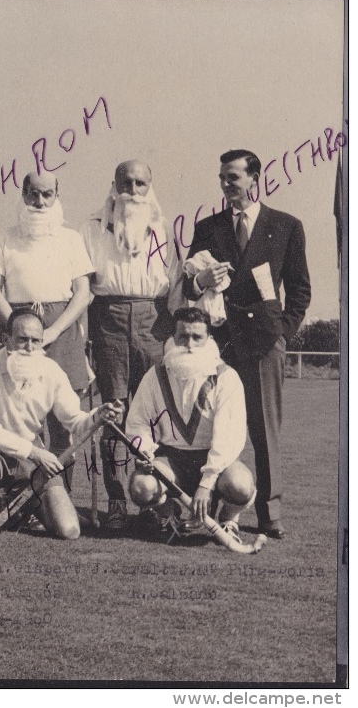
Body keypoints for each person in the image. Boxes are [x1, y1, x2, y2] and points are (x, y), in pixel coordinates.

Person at [184, 149, 311, 539]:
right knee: (213, 426)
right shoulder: (207, 227)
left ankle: (270, 514)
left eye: (233, 178)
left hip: (262, 343)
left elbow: (301, 291)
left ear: (254, 178)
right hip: (218, 346)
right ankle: (214, 506)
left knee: (263, 430)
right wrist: (201, 280)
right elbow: (189, 285)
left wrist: (281, 334)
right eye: (222, 178)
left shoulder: (286, 225)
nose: (226, 185)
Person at [80, 159, 181, 532]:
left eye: (141, 183)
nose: (133, 191)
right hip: (107, 317)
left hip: (153, 321)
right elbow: (83, 285)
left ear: (150, 187)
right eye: (127, 183)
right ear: (114, 184)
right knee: (113, 416)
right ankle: (117, 500)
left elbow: (173, 289)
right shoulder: (92, 227)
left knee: (154, 415)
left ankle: (154, 501)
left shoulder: (163, 229)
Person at [0, 310, 123, 537]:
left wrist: (98, 416)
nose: (29, 348)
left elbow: (75, 422)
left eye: (36, 341)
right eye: (22, 339)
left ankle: (24, 509)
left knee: (69, 530)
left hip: (31, 464)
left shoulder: (51, 370)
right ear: (6, 339)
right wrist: (36, 453)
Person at [0, 170, 94, 491]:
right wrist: (19, 327)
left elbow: (83, 292)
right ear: (23, 194)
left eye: (47, 194)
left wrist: (54, 331)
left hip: (63, 332)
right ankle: (24, 494)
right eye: (33, 193)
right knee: (19, 416)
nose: (40, 201)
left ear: (57, 197)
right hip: (19, 328)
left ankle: (59, 494)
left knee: (63, 424)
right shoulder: (6, 237)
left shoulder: (71, 238)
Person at [126, 307, 256, 539]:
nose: (189, 344)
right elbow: (138, 422)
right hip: (172, 461)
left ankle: (229, 518)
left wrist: (207, 483)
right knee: (141, 487)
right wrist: (144, 451)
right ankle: (169, 513)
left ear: (209, 340)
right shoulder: (155, 375)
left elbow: (229, 437)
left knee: (241, 485)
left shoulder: (227, 377)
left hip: (214, 461)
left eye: (197, 337)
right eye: (183, 336)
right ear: (172, 339)